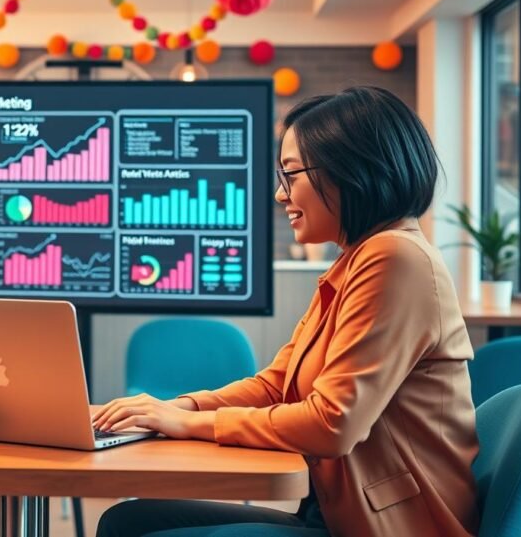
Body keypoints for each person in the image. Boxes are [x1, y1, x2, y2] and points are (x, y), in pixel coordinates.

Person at [93, 86, 479, 537]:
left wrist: (190, 423)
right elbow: (276, 385)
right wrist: (175, 407)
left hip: (391, 527)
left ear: (352, 172)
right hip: (333, 514)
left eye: (291, 175)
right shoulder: (354, 261)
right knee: (126, 520)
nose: (280, 195)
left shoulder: (395, 259)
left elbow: (332, 423)